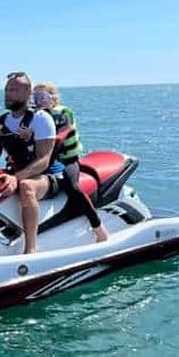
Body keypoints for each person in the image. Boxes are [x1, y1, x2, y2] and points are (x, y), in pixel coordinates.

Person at [0, 72, 57, 255]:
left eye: (14, 89)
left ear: (28, 92)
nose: (8, 94)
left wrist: (16, 178)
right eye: (7, 89)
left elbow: (43, 161)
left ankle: (30, 248)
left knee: (26, 187)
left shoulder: (41, 119)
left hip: (44, 177)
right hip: (12, 174)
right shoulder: (1, 122)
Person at [33, 82, 109, 242]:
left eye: (42, 97)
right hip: (46, 160)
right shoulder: (36, 116)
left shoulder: (64, 113)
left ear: (53, 97)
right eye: (35, 97)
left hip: (67, 160)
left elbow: (60, 135)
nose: (38, 100)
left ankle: (99, 229)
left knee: (72, 186)